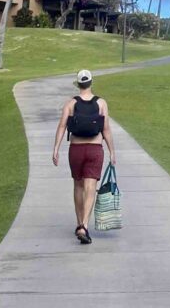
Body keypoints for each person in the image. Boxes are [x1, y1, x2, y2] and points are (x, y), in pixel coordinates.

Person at [52, 69, 116, 244]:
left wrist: (56, 149)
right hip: (95, 149)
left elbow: (61, 126)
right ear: (91, 83)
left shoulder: (70, 104)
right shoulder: (101, 103)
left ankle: (79, 223)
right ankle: (85, 226)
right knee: (90, 187)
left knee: (78, 186)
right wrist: (112, 151)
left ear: (78, 84)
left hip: (76, 149)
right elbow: (106, 129)